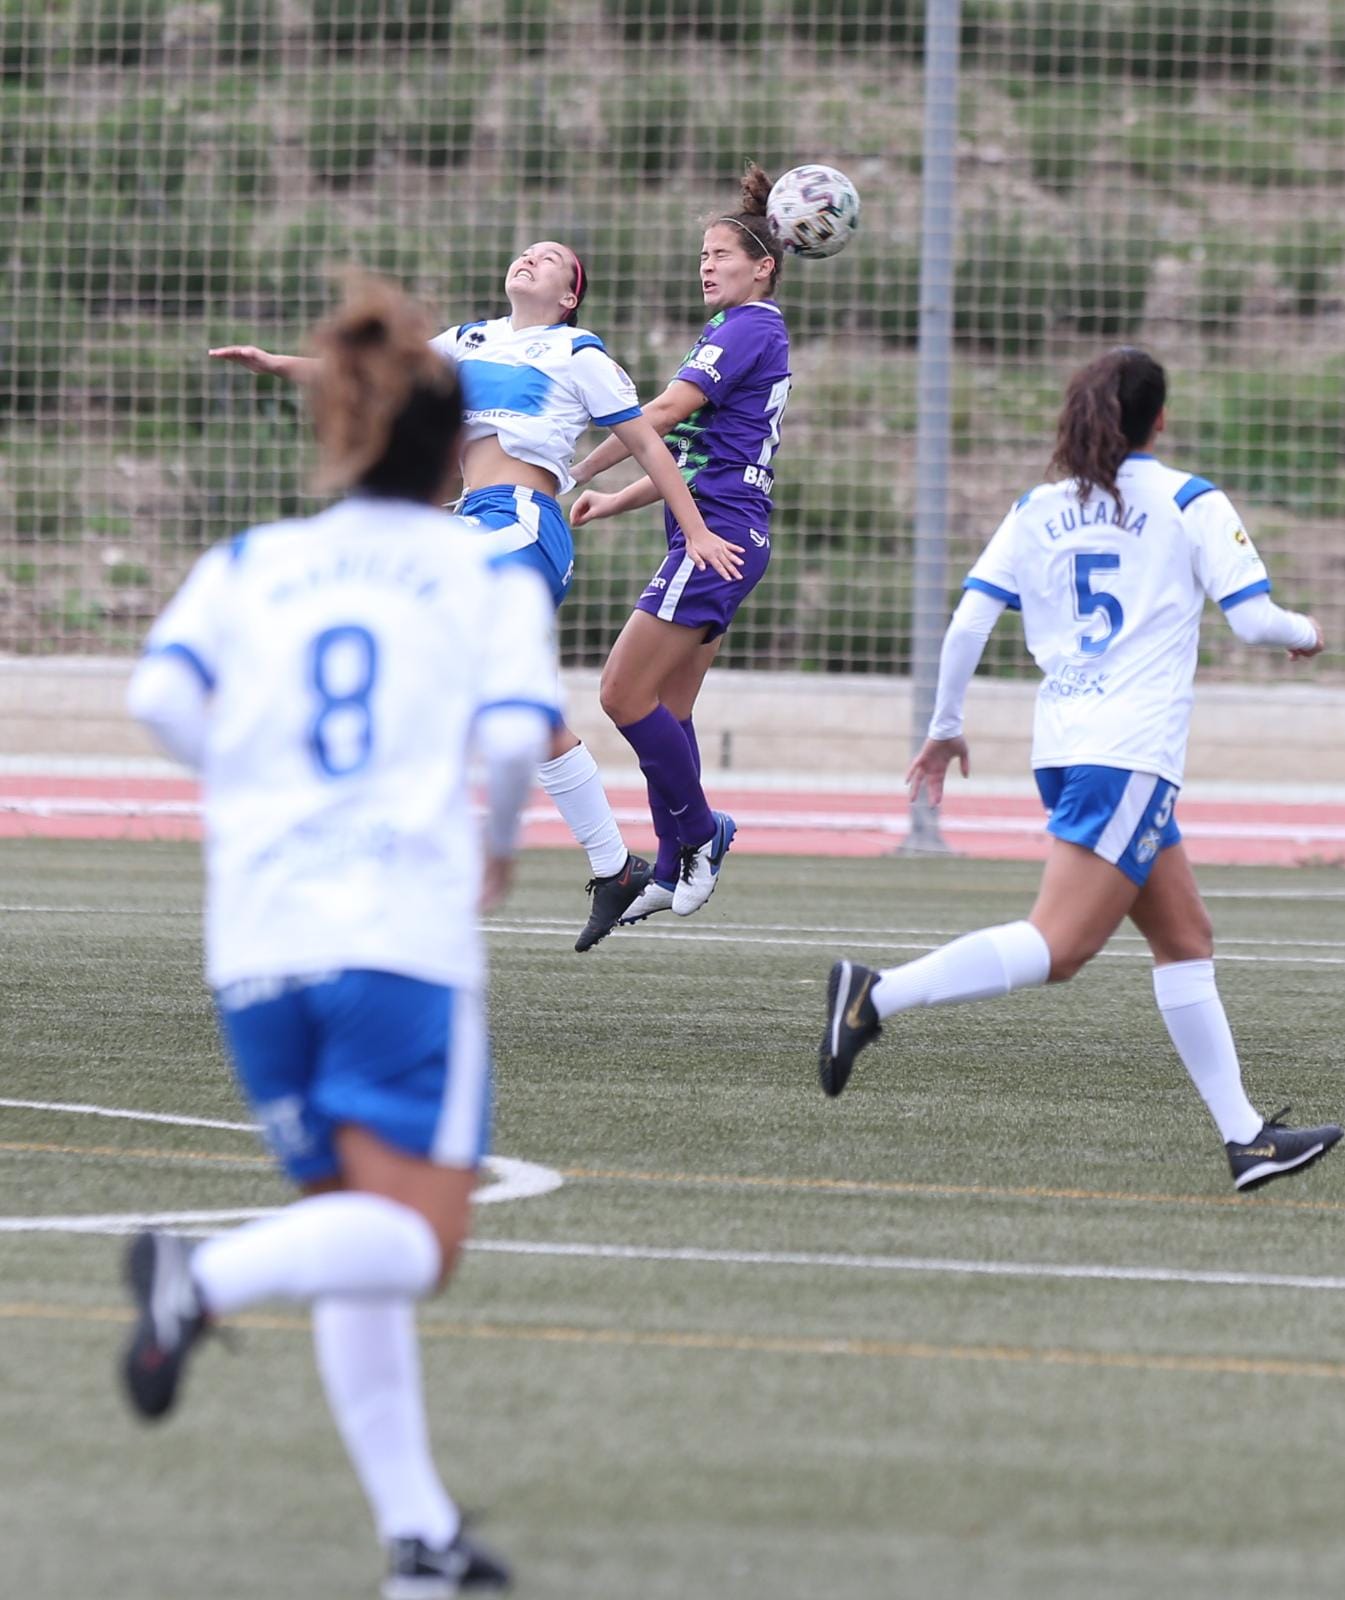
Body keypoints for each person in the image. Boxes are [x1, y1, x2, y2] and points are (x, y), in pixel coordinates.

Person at [122, 274, 557, 1596]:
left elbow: (158, 699)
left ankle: (416, 1535)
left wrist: (260, 796)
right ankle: (199, 1276)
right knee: (419, 1241)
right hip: (396, 936)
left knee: (355, 1237)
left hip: (256, 940)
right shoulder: (481, 570)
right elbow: (505, 741)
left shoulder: (252, 560)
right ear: (453, 447)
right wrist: (488, 849)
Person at [819, 346, 1341, 1194]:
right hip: (1127, 756)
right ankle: (873, 996)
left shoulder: (1038, 507)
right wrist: (1306, 630)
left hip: (1063, 750)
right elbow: (1252, 624)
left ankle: (1247, 1139)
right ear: (1158, 420)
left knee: (1184, 937)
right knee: (1057, 949)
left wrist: (945, 727)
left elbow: (967, 622)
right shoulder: (1185, 499)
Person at [209, 240, 744, 953]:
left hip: (522, 522)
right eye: (525, 251)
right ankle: (613, 867)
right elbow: (376, 373)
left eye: (550, 258)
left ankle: (370, 834)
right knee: (513, 698)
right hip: (467, 520)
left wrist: (695, 529)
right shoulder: (465, 341)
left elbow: (649, 445)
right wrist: (280, 365)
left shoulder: (578, 352)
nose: (530, 258)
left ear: (568, 295)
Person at [567, 163, 792, 942]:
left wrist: (575, 465)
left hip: (718, 534)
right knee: (669, 708)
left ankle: (700, 831)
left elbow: (658, 415)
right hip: (731, 524)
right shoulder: (737, 329)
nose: (706, 264)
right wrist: (617, 498)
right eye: (702, 253)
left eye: (721, 254)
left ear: (762, 266)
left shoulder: (751, 325)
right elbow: (693, 458)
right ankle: (670, 865)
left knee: (621, 695)